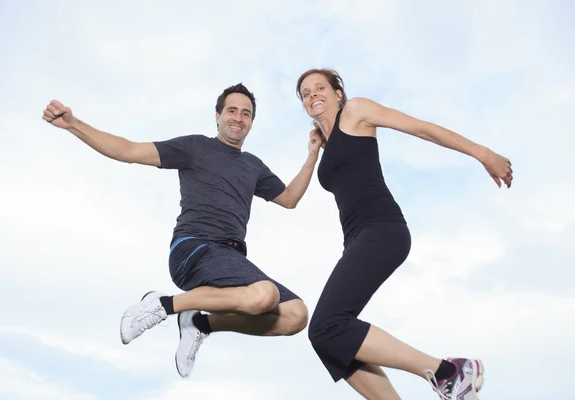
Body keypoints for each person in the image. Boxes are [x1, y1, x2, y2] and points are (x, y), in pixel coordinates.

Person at [42, 83, 323, 378]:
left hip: (229, 258)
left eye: (246, 114)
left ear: (252, 122)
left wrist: (312, 154)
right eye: (231, 111)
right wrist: (73, 124)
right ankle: (163, 304)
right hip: (193, 249)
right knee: (263, 294)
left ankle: (200, 323)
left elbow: (289, 198)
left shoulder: (253, 166)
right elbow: (128, 150)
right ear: (217, 116)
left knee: (295, 315)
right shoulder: (195, 147)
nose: (238, 118)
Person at [296, 69, 512, 400]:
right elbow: (295, 195)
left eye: (320, 88)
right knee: (329, 340)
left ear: (338, 93)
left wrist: (481, 153)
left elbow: (422, 129)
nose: (313, 95)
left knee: (326, 325)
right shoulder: (328, 145)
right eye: (306, 93)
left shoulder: (355, 111)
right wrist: (314, 152)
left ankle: (449, 372)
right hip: (357, 239)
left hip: (382, 229)